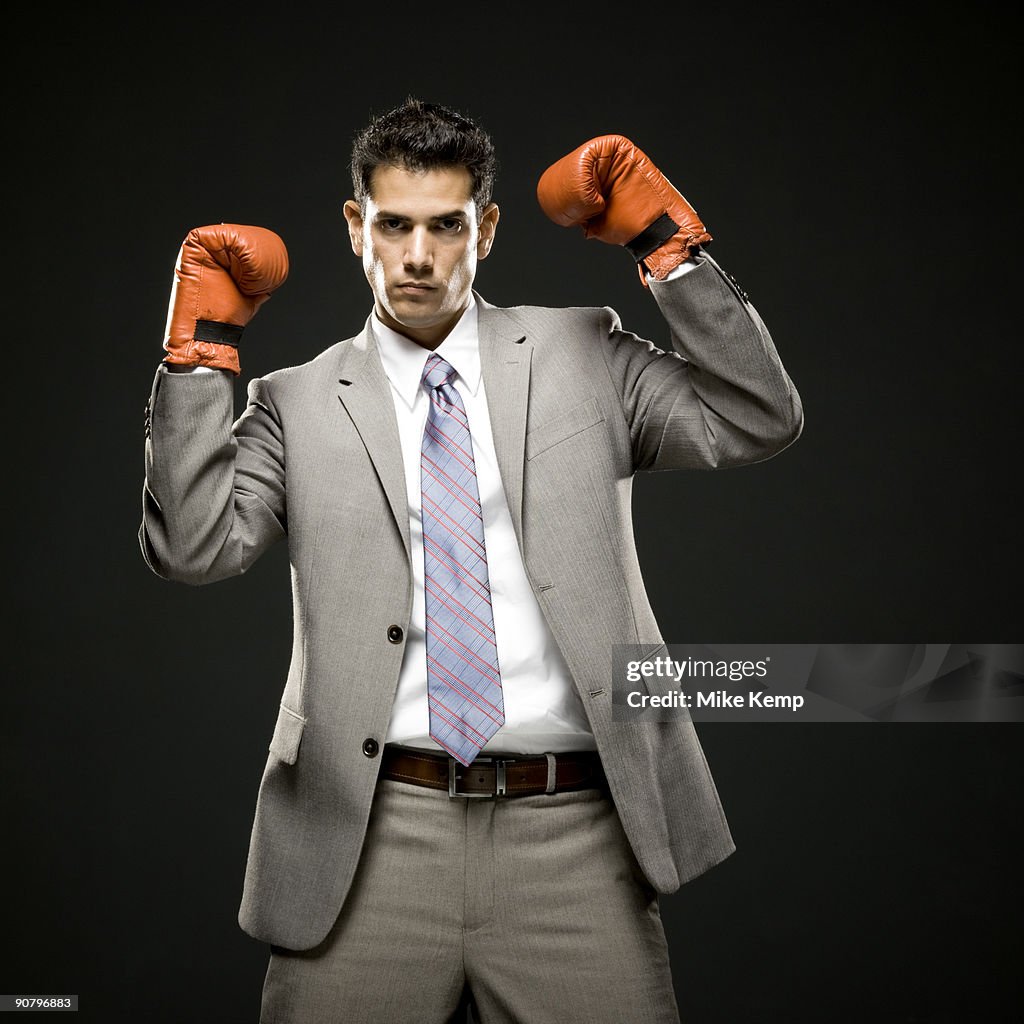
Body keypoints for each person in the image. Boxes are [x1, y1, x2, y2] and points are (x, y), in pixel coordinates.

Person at [139, 97, 803, 1024]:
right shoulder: (294, 403)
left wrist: (668, 248)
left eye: (447, 227)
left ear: (484, 228)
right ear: (355, 228)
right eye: (394, 226)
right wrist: (203, 358)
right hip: (366, 839)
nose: (418, 257)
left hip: (572, 838)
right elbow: (193, 546)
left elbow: (757, 417)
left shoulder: (585, 352)